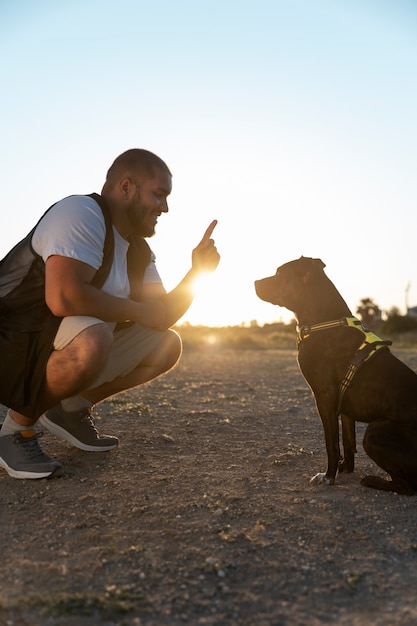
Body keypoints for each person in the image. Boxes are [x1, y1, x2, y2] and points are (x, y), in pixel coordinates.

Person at [0, 148, 220, 479]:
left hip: (49, 346)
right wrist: (135, 309)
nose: (165, 207)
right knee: (94, 337)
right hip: (12, 340)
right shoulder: (82, 212)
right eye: (158, 195)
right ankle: (14, 433)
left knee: (166, 344)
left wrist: (196, 274)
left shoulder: (138, 250)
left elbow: (159, 316)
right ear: (126, 187)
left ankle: (70, 410)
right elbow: (64, 297)